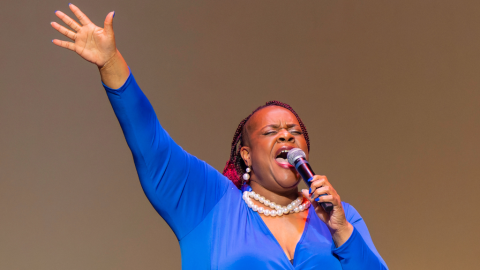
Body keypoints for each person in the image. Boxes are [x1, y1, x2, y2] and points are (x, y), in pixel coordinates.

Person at [51, 4, 388, 269]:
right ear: (245, 155)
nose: (287, 137)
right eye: (272, 132)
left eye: (295, 132)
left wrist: (342, 231)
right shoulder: (210, 202)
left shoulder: (340, 217)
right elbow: (152, 145)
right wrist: (110, 62)